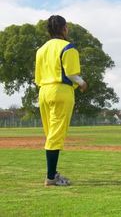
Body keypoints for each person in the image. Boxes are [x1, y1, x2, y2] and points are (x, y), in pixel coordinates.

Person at [35, 15, 88, 186]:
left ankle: (53, 172)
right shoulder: (68, 47)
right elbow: (71, 74)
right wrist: (81, 82)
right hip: (61, 91)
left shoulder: (41, 50)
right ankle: (51, 177)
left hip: (44, 91)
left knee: (50, 133)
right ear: (64, 28)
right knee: (56, 135)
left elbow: (37, 77)